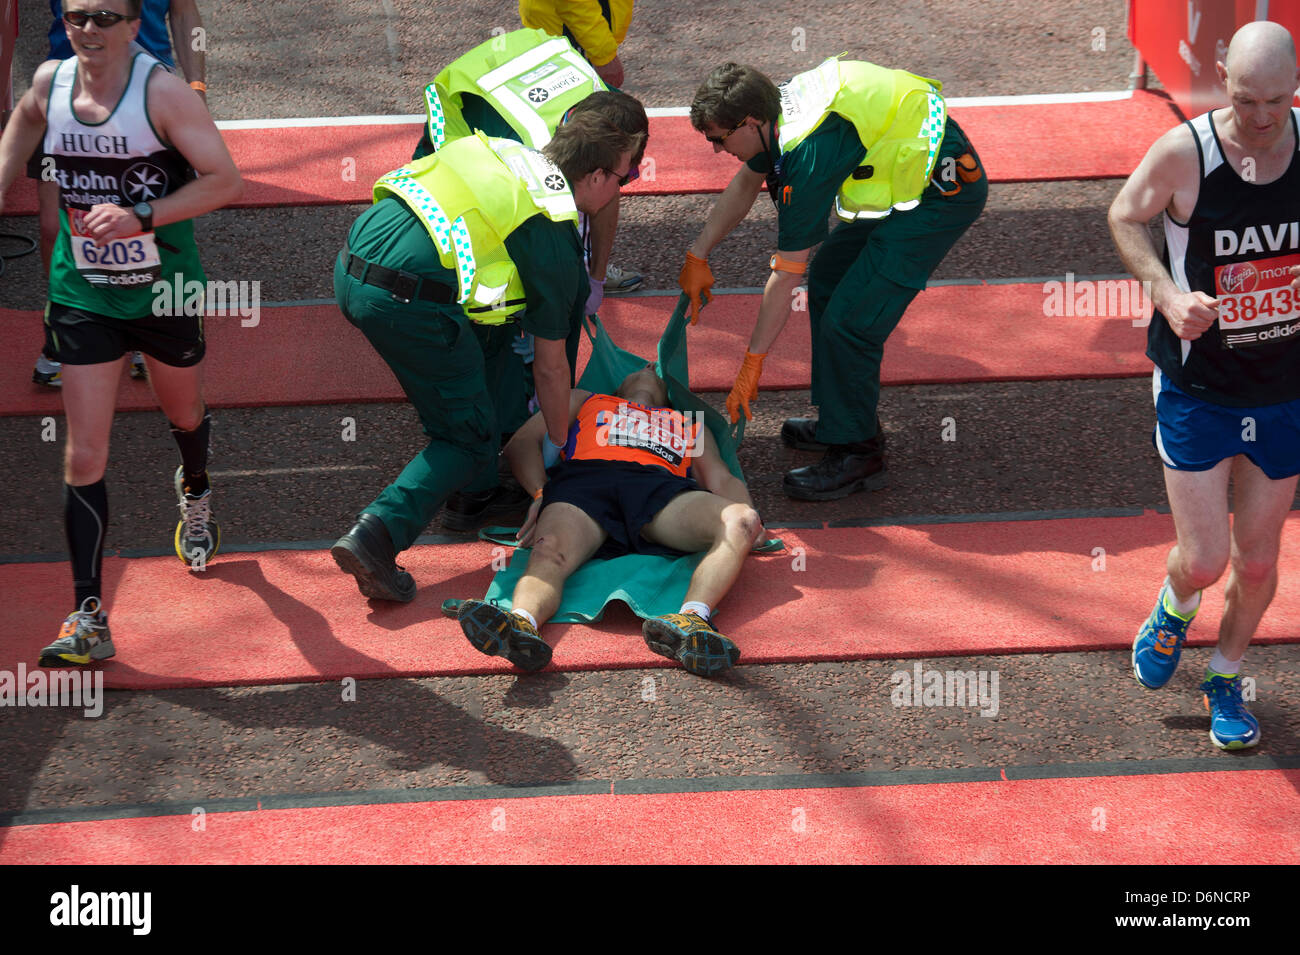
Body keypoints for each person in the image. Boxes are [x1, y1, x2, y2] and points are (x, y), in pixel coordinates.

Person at [0, 0, 242, 664]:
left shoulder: (160, 92)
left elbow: (226, 180)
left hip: (164, 287)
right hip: (84, 294)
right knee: (83, 454)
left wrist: (142, 215)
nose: (89, 28)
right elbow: (21, 121)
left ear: (136, 25)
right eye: (77, 15)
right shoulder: (51, 83)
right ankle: (88, 618)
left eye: (106, 16)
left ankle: (195, 488)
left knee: (183, 410)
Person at [330, 111, 636, 604]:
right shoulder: (553, 229)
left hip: (354, 261)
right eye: (624, 177)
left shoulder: (504, 151)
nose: (623, 190)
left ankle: (477, 490)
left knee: (492, 348)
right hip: (407, 302)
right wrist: (561, 456)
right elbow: (551, 368)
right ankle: (377, 534)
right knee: (465, 436)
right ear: (596, 175)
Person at [1109, 20, 1300, 750]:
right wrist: (1165, 293)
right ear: (1222, 75)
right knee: (1208, 556)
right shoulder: (1186, 153)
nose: (1260, 118)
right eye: (1247, 100)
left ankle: (1224, 675)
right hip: (1199, 387)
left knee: (1257, 557)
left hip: (1283, 388)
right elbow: (1125, 214)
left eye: (1276, 103)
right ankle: (1175, 603)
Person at [679, 58, 987, 500]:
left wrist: (752, 364)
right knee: (829, 277)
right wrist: (698, 252)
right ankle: (842, 417)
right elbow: (747, 181)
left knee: (852, 321)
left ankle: (859, 453)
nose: (715, 149)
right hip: (907, 164)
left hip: (942, 192)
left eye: (718, 139)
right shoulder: (771, 110)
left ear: (749, 123)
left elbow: (785, 275)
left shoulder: (807, 151)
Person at [413, 28, 649, 529]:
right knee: (496, 325)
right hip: (458, 161)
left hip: (505, 122)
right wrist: (559, 438)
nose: (622, 181)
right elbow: (522, 231)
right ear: (599, 159)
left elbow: (606, 196)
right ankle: (485, 463)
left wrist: (595, 275)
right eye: (621, 172)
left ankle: (512, 435)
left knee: (544, 318)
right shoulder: (529, 151)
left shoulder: (596, 128)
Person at [457, 363, 763, 676]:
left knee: (741, 518)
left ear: (669, 398)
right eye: (639, 367)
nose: (648, 367)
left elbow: (720, 478)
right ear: (616, 388)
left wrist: (749, 525)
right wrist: (539, 495)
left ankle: (693, 620)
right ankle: (521, 625)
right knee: (549, 549)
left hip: (661, 491)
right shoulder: (585, 400)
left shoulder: (688, 422)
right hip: (585, 482)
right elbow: (521, 444)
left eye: (656, 368)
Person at [31, 0, 207, 388]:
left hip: (147, 101)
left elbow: (184, 12)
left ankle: (142, 326)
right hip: (70, 94)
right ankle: (70, 331)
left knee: (145, 220)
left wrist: (196, 87)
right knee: (52, 225)